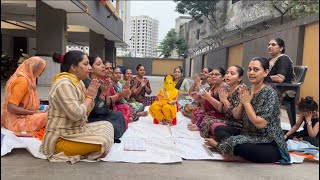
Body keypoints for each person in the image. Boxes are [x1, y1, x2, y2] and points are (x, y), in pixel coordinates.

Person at [205, 57, 290, 164]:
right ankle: (232, 150)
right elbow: (236, 116)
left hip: (267, 141)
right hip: (248, 134)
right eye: (249, 69)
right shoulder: (248, 89)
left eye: (256, 70)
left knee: (242, 146)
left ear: (265, 72)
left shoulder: (270, 93)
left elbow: (260, 123)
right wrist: (241, 103)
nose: (251, 73)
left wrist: (246, 103)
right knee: (220, 130)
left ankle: (222, 147)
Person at [40, 51, 114, 163]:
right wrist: (89, 96)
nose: (89, 68)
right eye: (86, 64)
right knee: (102, 142)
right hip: (60, 139)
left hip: (77, 130)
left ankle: (89, 147)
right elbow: (76, 114)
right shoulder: (63, 84)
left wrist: (92, 97)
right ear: (73, 67)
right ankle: (92, 149)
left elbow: (86, 113)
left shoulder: (79, 82)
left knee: (108, 125)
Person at [82, 56, 126, 143]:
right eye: (99, 64)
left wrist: (106, 93)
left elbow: (107, 106)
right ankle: (108, 136)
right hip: (92, 118)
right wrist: (103, 94)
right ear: (91, 68)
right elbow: (95, 110)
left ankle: (111, 135)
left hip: (103, 114)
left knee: (119, 115)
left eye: (102, 63)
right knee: (111, 125)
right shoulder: (87, 83)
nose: (103, 66)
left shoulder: (102, 82)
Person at [1, 57, 48, 132]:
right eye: (40, 70)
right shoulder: (23, 81)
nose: (40, 73)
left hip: (17, 117)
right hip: (15, 121)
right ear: (33, 68)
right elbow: (11, 107)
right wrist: (33, 112)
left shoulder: (26, 78)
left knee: (46, 111)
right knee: (49, 116)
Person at [200, 65, 244, 138]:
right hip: (226, 119)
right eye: (227, 73)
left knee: (213, 124)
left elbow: (236, 116)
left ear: (239, 78)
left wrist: (224, 100)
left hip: (237, 123)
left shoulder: (240, 90)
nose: (228, 75)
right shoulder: (227, 89)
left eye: (232, 74)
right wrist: (222, 101)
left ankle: (217, 139)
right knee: (206, 120)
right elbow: (221, 110)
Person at [187, 67, 226, 132]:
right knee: (196, 112)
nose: (213, 76)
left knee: (206, 119)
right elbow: (206, 102)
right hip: (210, 111)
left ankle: (200, 127)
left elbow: (221, 108)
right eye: (212, 74)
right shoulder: (213, 87)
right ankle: (199, 125)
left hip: (219, 114)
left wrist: (197, 84)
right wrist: (198, 98)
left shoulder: (224, 88)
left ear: (223, 77)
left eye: (216, 74)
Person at [104, 62, 133, 128]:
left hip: (122, 103)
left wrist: (126, 89)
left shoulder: (120, 83)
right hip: (114, 107)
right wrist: (123, 92)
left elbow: (127, 98)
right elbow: (110, 102)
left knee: (131, 106)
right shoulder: (107, 82)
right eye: (116, 73)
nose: (109, 70)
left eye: (110, 68)